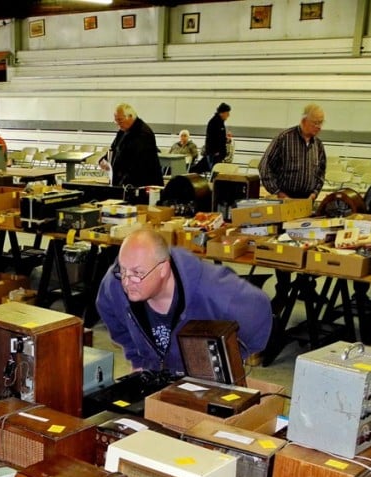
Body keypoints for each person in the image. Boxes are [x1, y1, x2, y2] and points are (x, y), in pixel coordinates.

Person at [96, 227, 272, 373]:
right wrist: (137, 358)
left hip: (204, 377)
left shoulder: (213, 290)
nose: (127, 282)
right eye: (123, 270)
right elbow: (110, 314)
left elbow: (258, 311)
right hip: (154, 375)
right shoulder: (115, 284)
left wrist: (231, 356)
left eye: (137, 273)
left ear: (164, 269)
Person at [258, 104, 327, 313]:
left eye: (321, 123)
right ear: (304, 120)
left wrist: (315, 192)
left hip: (306, 202)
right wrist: (278, 192)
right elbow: (264, 166)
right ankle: (282, 291)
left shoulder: (318, 145)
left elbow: (321, 171)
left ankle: (306, 287)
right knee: (285, 248)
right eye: (316, 123)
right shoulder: (284, 139)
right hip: (285, 200)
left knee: (307, 244)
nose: (319, 127)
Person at [99, 103, 163, 188]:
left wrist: (121, 184)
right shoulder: (123, 130)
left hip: (141, 183)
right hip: (124, 181)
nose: (117, 123)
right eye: (115, 120)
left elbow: (136, 163)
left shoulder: (143, 133)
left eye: (120, 120)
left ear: (130, 116)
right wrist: (103, 160)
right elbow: (114, 148)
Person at [195, 102, 232, 174]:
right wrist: (215, 152)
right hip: (214, 153)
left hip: (217, 153)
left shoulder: (220, 122)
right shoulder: (214, 122)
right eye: (227, 113)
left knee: (216, 171)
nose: (228, 115)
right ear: (222, 113)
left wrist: (226, 139)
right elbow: (212, 138)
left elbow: (219, 137)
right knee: (214, 172)